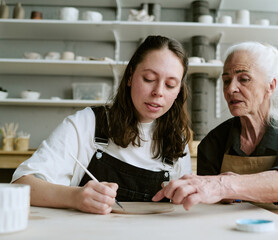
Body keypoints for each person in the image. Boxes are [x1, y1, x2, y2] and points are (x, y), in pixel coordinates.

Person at [12, 35, 192, 214]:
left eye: (170, 85)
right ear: (130, 77)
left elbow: (182, 210)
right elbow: (22, 184)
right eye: (149, 79)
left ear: (178, 91)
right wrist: (74, 197)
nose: (158, 92)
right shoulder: (87, 123)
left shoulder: (176, 141)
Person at [153, 41, 278, 210]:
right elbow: (208, 206)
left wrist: (223, 185)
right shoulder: (214, 141)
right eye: (226, 80)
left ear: (270, 86)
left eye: (244, 79)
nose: (230, 89)